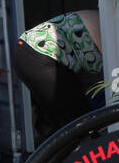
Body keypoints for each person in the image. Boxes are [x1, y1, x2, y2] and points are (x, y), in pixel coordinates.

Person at [14, 8, 103, 143]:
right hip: (41, 54)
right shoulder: (110, 29)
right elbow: (117, 82)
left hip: (29, 50)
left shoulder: (105, 19)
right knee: (80, 126)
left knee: (65, 123)